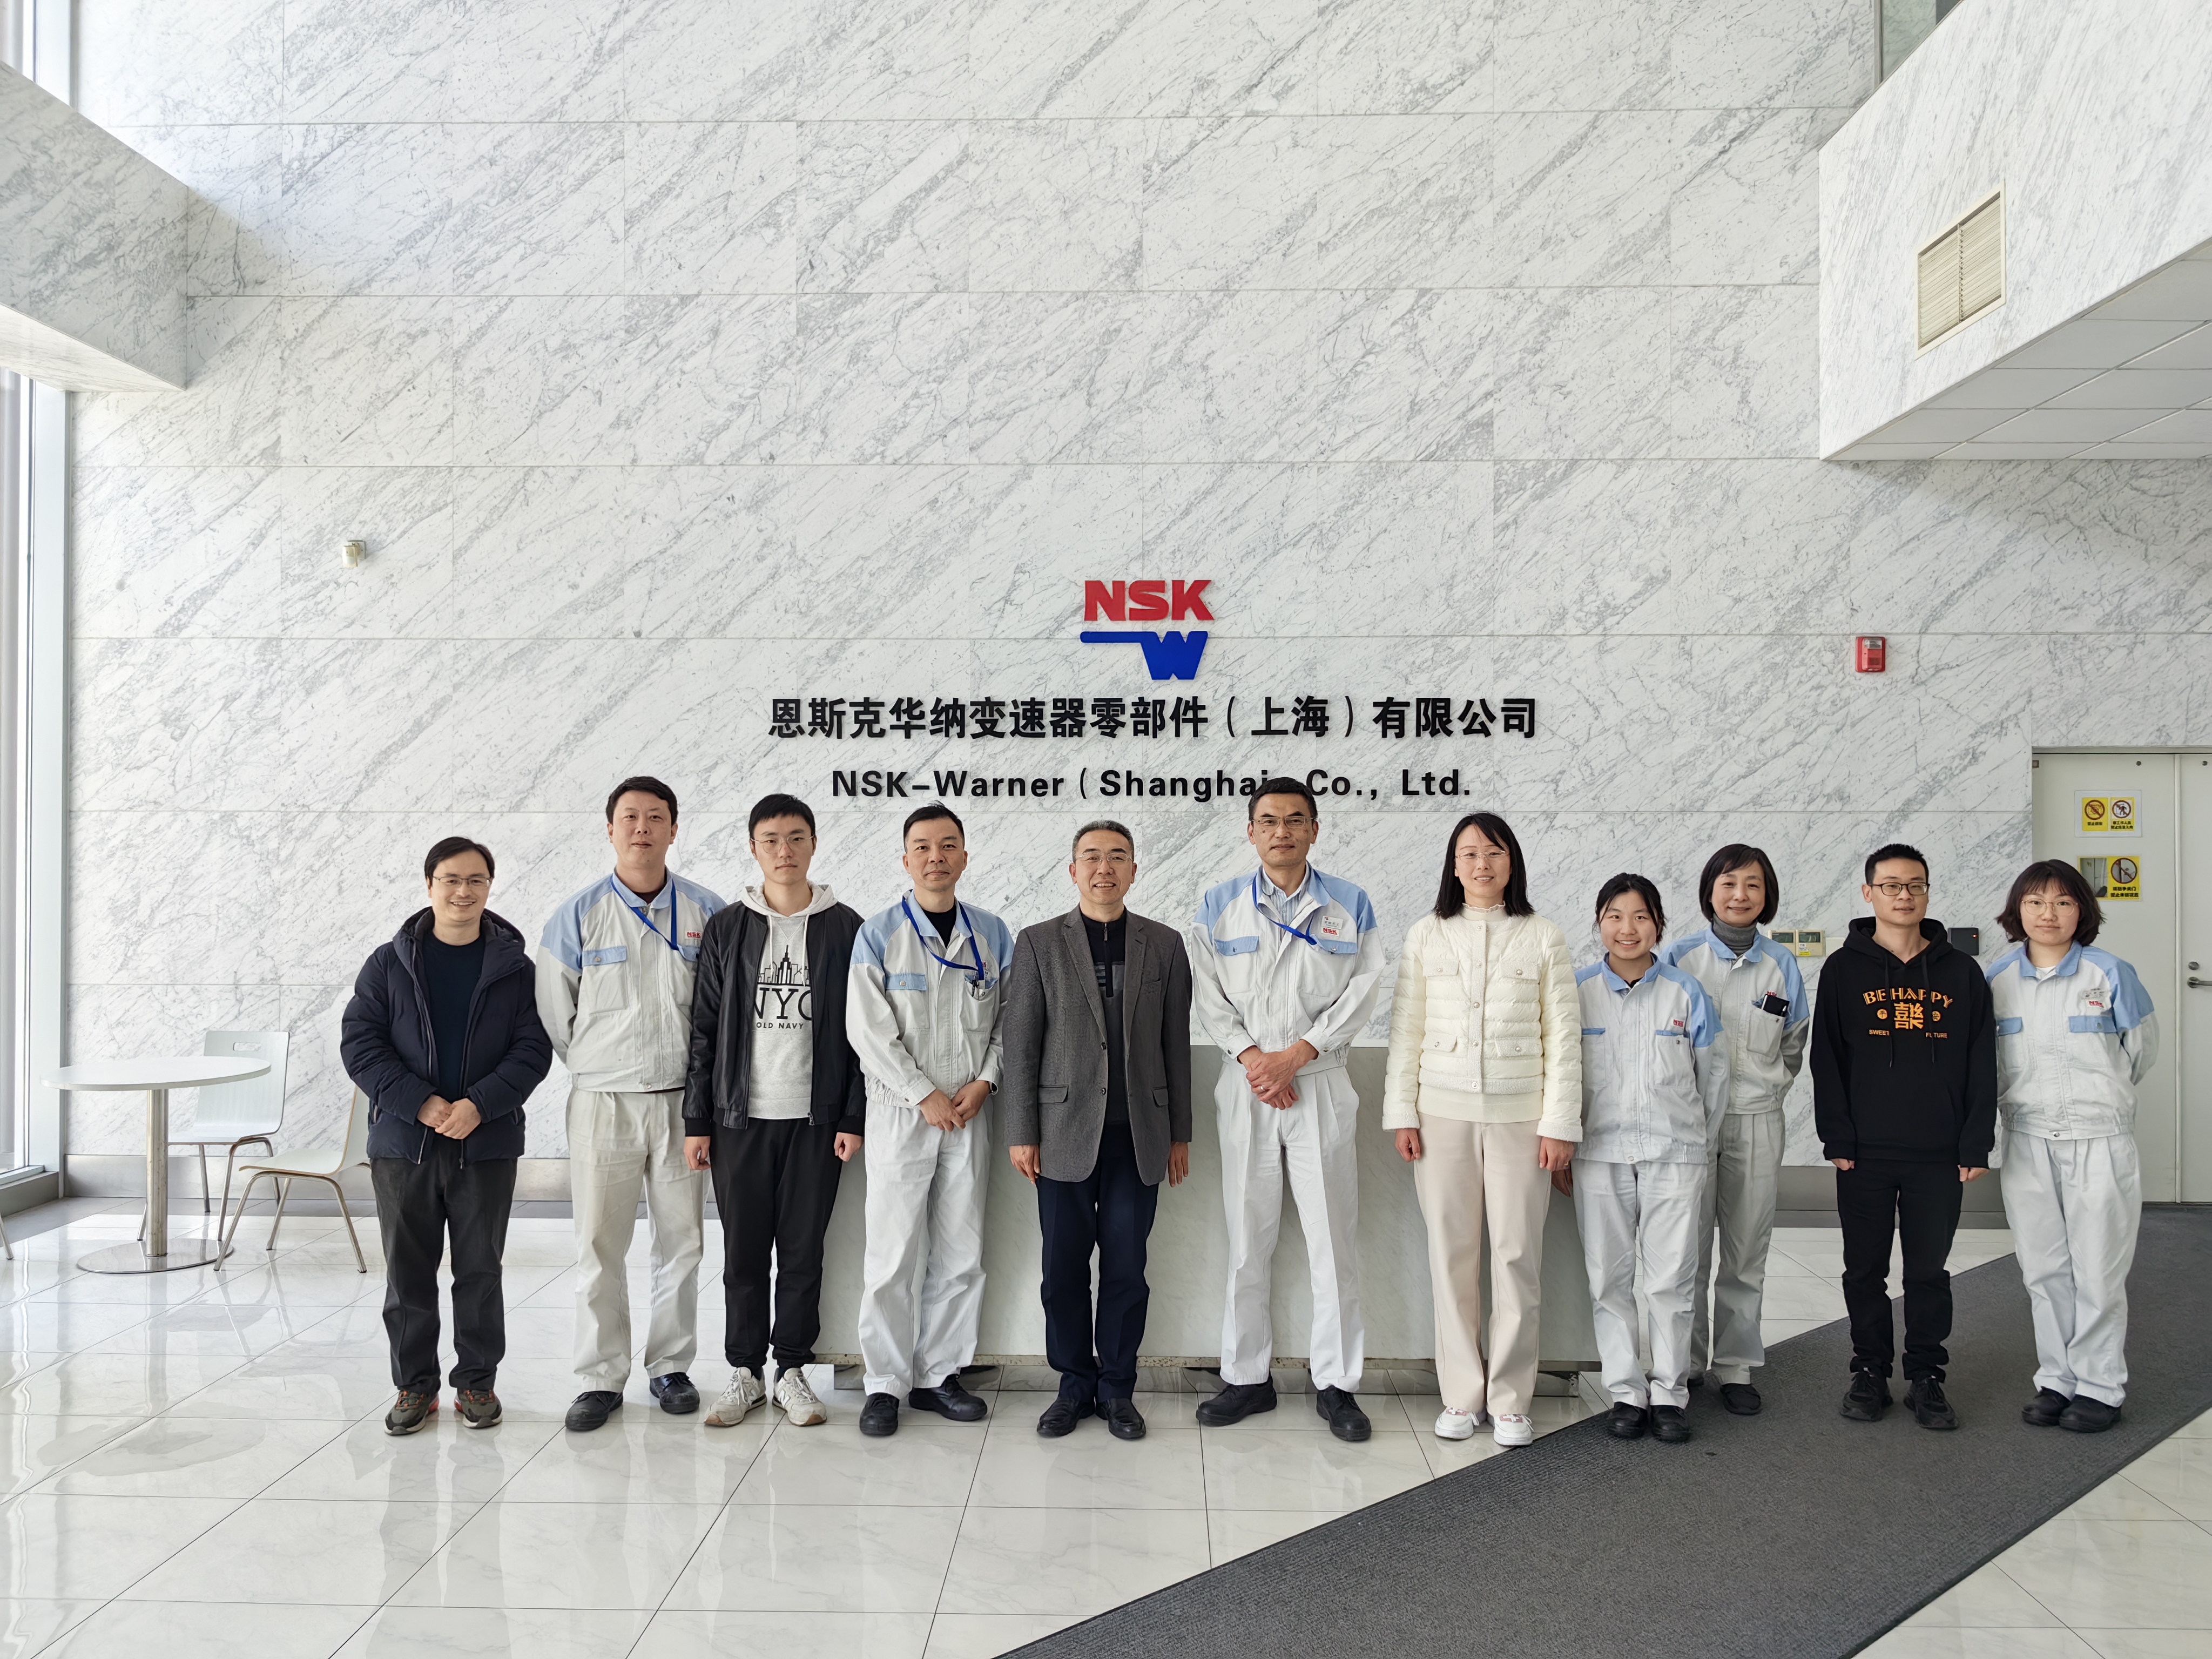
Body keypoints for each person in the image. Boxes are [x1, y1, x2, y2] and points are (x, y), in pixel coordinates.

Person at [1188, 778, 1387, 1441]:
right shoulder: (1218, 905)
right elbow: (1208, 997)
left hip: (1319, 1081)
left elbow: (1363, 992)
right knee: (1248, 1240)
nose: (1282, 831)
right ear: (1250, 832)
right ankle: (1247, 1378)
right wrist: (1257, 1061)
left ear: (1314, 830)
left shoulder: (1349, 904)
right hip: (1247, 1084)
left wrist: (1296, 1055)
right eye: (1269, 821)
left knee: (1333, 1240)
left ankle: (1337, 1384)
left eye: (1295, 820)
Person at [1382, 812, 1580, 1448]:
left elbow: (1564, 1039)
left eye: (1493, 852)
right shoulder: (1426, 934)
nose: (1481, 864)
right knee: (1452, 1257)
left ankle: (1511, 1400)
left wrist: (1559, 1124)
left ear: (1511, 862)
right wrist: (1402, 1113)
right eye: (1468, 854)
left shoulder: (1543, 936)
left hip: (1521, 1120)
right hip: (1440, 1118)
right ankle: (1462, 1397)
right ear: (1454, 865)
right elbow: (1406, 1031)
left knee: (1517, 1257)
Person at [342, 837, 551, 1435]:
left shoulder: (516, 969)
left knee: (480, 1271)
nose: (464, 891)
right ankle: (415, 1385)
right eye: (451, 880)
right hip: (404, 1144)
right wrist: (422, 1103)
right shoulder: (389, 963)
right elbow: (360, 1044)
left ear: (490, 887)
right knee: (407, 1272)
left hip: (485, 1144)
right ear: (429, 885)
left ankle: (476, 1382)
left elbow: (533, 1050)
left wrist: (479, 1106)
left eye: (476, 880)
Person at [538, 777, 726, 1434]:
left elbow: (721, 1011)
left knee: (683, 1242)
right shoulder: (576, 914)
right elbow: (556, 1015)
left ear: (674, 829)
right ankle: (600, 1377)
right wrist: (601, 1063)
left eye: (655, 817)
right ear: (610, 829)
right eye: (629, 817)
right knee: (599, 1244)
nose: (641, 827)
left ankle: (670, 1367)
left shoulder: (708, 911)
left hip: (683, 1105)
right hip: (604, 1101)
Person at [1002, 820, 1193, 1439]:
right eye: (1091, 857)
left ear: (1134, 870)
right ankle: (1072, 1385)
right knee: (1062, 1270)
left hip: (1139, 1137)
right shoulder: (1037, 943)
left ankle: (1116, 1390)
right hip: (1060, 1134)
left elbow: (1175, 1045)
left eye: (1117, 857)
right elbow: (1021, 1044)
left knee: (1126, 1270)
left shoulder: (1164, 945)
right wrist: (1021, 1130)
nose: (1103, 868)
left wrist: (1180, 1132)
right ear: (1072, 870)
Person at [683, 794, 865, 1430]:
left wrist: (852, 1117)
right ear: (753, 848)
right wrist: (697, 1121)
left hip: (817, 1121)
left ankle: (791, 1370)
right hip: (740, 1120)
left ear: (813, 843)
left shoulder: (848, 928)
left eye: (795, 838)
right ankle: (743, 1372)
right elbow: (705, 1028)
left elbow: (863, 1034)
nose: (784, 852)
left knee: (803, 1252)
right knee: (743, 1255)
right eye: (771, 840)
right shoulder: (728, 928)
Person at [1812, 843, 1997, 1431]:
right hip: (1864, 1152)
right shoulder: (1842, 970)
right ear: (1868, 893)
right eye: (1891, 885)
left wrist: (1975, 1142)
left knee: (1928, 1273)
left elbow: (1981, 1061)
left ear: (1927, 892)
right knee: (1864, 1270)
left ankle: (1925, 1376)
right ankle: (1869, 1371)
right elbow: (1827, 1058)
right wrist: (1836, 1136)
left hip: (1937, 1153)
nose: (1904, 896)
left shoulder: (1961, 972)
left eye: (1915, 885)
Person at [846, 806, 1015, 1437]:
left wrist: (985, 1080)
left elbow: (1011, 1021)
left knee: (961, 1251)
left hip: (969, 1112)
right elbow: (868, 1031)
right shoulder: (878, 934)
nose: (935, 857)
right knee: (893, 1253)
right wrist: (922, 1094)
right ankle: (885, 1383)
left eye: (948, 846)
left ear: (965, 857)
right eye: (922, 847)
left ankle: (939, 1375)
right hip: (901, 1112)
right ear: (905, 859)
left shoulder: (992, 933)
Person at [1986, 859, 2156, 1434]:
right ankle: (2057, 1380)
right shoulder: (1998, 979)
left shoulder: (2110, 974)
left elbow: (2140, 1052)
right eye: (2036, 902)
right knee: (2043, 1269)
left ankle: (2100, 1386)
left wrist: (2100, 1100)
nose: (2048, 914)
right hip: (2028, 1140)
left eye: (2062, 902)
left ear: (2081, 910)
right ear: (2018, 911)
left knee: (2099, 1270)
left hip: (2099, 1141)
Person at [1572, 874, 1729, 1445]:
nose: (1627, 928)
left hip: (1675, 1156)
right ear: (1599, 924)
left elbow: (1713, 1078)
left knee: (1670, 1281)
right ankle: (1625, 1392)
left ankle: (1668, 1393)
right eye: (1614, 916)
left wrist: (1697, 1146)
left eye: (1640, 916)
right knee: (1608, 1280)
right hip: (1599, 1155)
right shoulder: (1576, 991)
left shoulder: (1686, 992)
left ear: (1658, 924)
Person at [1656, 844, 1809, 1416]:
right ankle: (1688, 1361)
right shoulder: (1680, 957)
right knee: (1686, 1249)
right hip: (1690, 1124)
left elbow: (1793, 1044)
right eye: (1728, 884)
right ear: (1710, 892)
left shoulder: (1781, 964)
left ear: (1767, 895)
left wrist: (1765, 1093)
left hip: (1755, 1119)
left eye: (1752, 884)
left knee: (1746, 1249)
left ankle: (1736, 1365)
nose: (1740, 895)